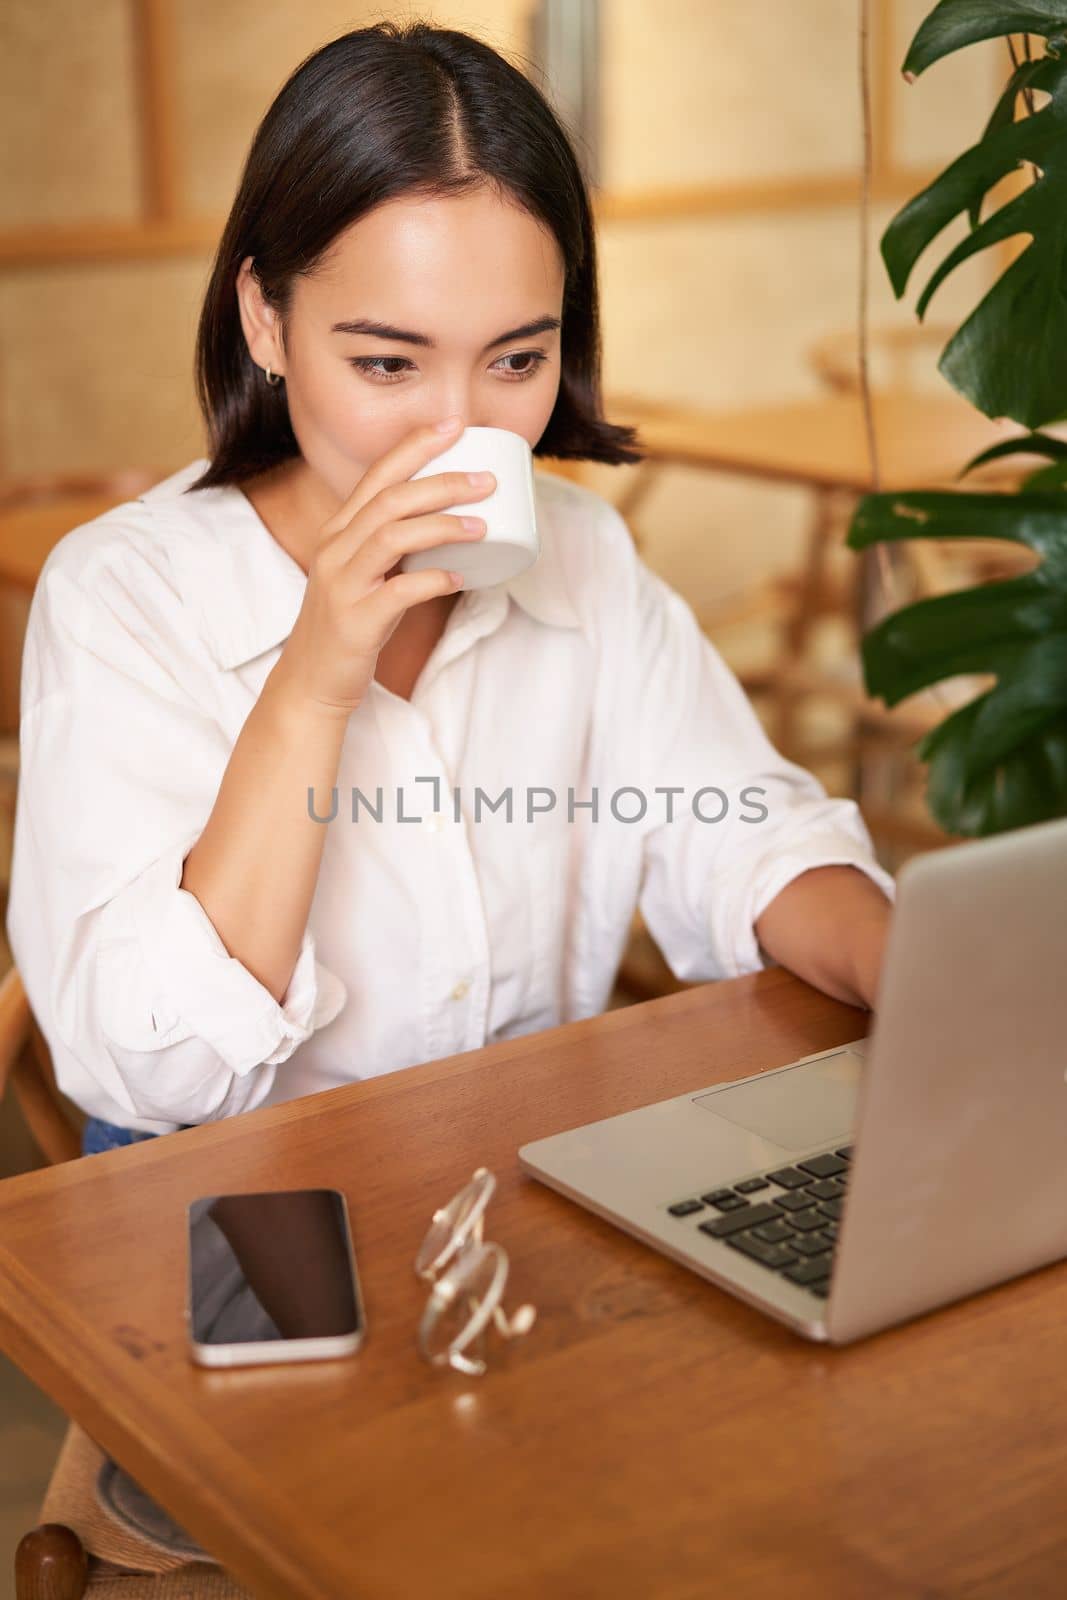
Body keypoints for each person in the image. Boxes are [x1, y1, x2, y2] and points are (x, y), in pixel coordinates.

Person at [6, 20, 896, 1161]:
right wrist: (314, 678)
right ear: (264, 320)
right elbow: (146, 1070)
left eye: (516, 360)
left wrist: (919, 982)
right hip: (235, 1219)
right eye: (387, 362)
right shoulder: (124, 596)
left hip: (526, 1192)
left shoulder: (579, 556)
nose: (458, 428)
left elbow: (741, 835)